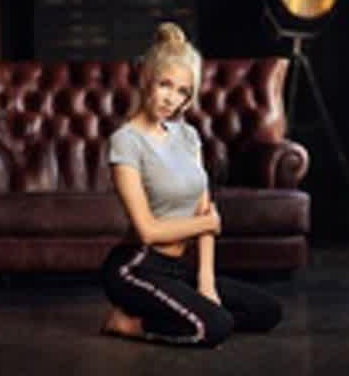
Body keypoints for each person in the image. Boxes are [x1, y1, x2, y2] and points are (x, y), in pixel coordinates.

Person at [100, 22, 282, 348]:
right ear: (146, 78)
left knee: (267, 311)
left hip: (178, 268)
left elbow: (203, 206)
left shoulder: (188, 136)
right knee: (216, 327)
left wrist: (206, 282)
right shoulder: (126, 142)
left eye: (183, 91)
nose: (172, 99)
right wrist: (207, 223)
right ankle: (126, 323)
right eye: (165, 85)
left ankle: (184, 310)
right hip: (136, 267)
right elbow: (149, 231)